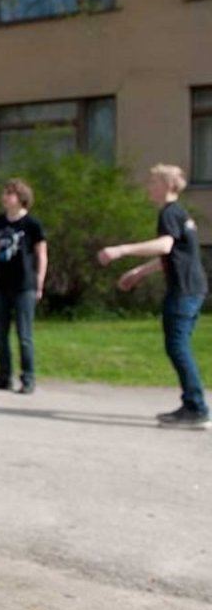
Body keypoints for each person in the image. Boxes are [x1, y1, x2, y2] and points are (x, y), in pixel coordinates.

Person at [98, 164, 209, 430]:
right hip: (194, 288)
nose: (149, 187)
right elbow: (172, 256)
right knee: (179, 346)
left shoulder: (169, 213)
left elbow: (165, 245)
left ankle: (196, 408)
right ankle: (192, 404)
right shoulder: (182, 214)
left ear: (167, 185)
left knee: (177, 347)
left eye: (153, 182)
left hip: (184, 290)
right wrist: (139, 273)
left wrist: (121, 250)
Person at [0, 179, 48, 395]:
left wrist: (39, 281)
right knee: (0, 333)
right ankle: (4, 376)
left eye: (9, 194)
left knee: (24, 335)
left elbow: (41, 254)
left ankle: (28, 378)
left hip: (24, 286)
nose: (5, 198)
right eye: (4, 193)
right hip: (2, 284)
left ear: (21, 198)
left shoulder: (32, 224)